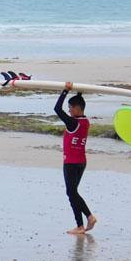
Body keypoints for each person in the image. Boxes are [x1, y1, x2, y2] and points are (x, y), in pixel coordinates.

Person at [55, 83, 96, 234]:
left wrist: (65, 91)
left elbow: (57, 109)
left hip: (71, 163)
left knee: (71, 192)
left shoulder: (73, 123)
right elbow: (74, 106)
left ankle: (88, 218)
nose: (69, 110)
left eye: (70, 107)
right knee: (72, 192)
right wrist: (79, 93)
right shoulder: (85, 121)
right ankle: (80, 225)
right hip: (81, 162)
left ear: (77, 109)